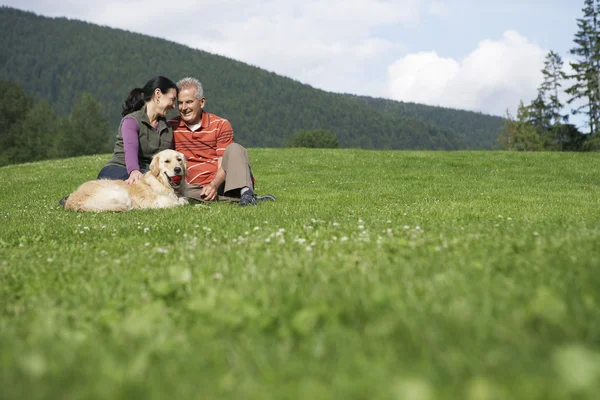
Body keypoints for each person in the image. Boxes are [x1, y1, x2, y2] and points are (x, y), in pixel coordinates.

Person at [169, 77, 275, 206]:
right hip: (193, 187)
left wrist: (213, 185)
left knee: (235, 148)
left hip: (223, 183)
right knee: (182, 191)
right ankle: (244, 200)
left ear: (202, 102)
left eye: (189, 102)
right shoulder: (171, 126)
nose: (184, 108)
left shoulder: (220, 124)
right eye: (180, 103)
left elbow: (223, 164)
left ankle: (245, 192)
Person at [97, 76, 179, 184]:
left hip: (146, 172)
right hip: (119, 169)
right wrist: (134, 171)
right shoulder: (131, 121)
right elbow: (130, 149)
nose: (173, 106)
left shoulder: (167, 129)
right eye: (172, 99)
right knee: (150, 182)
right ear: (158, 94)